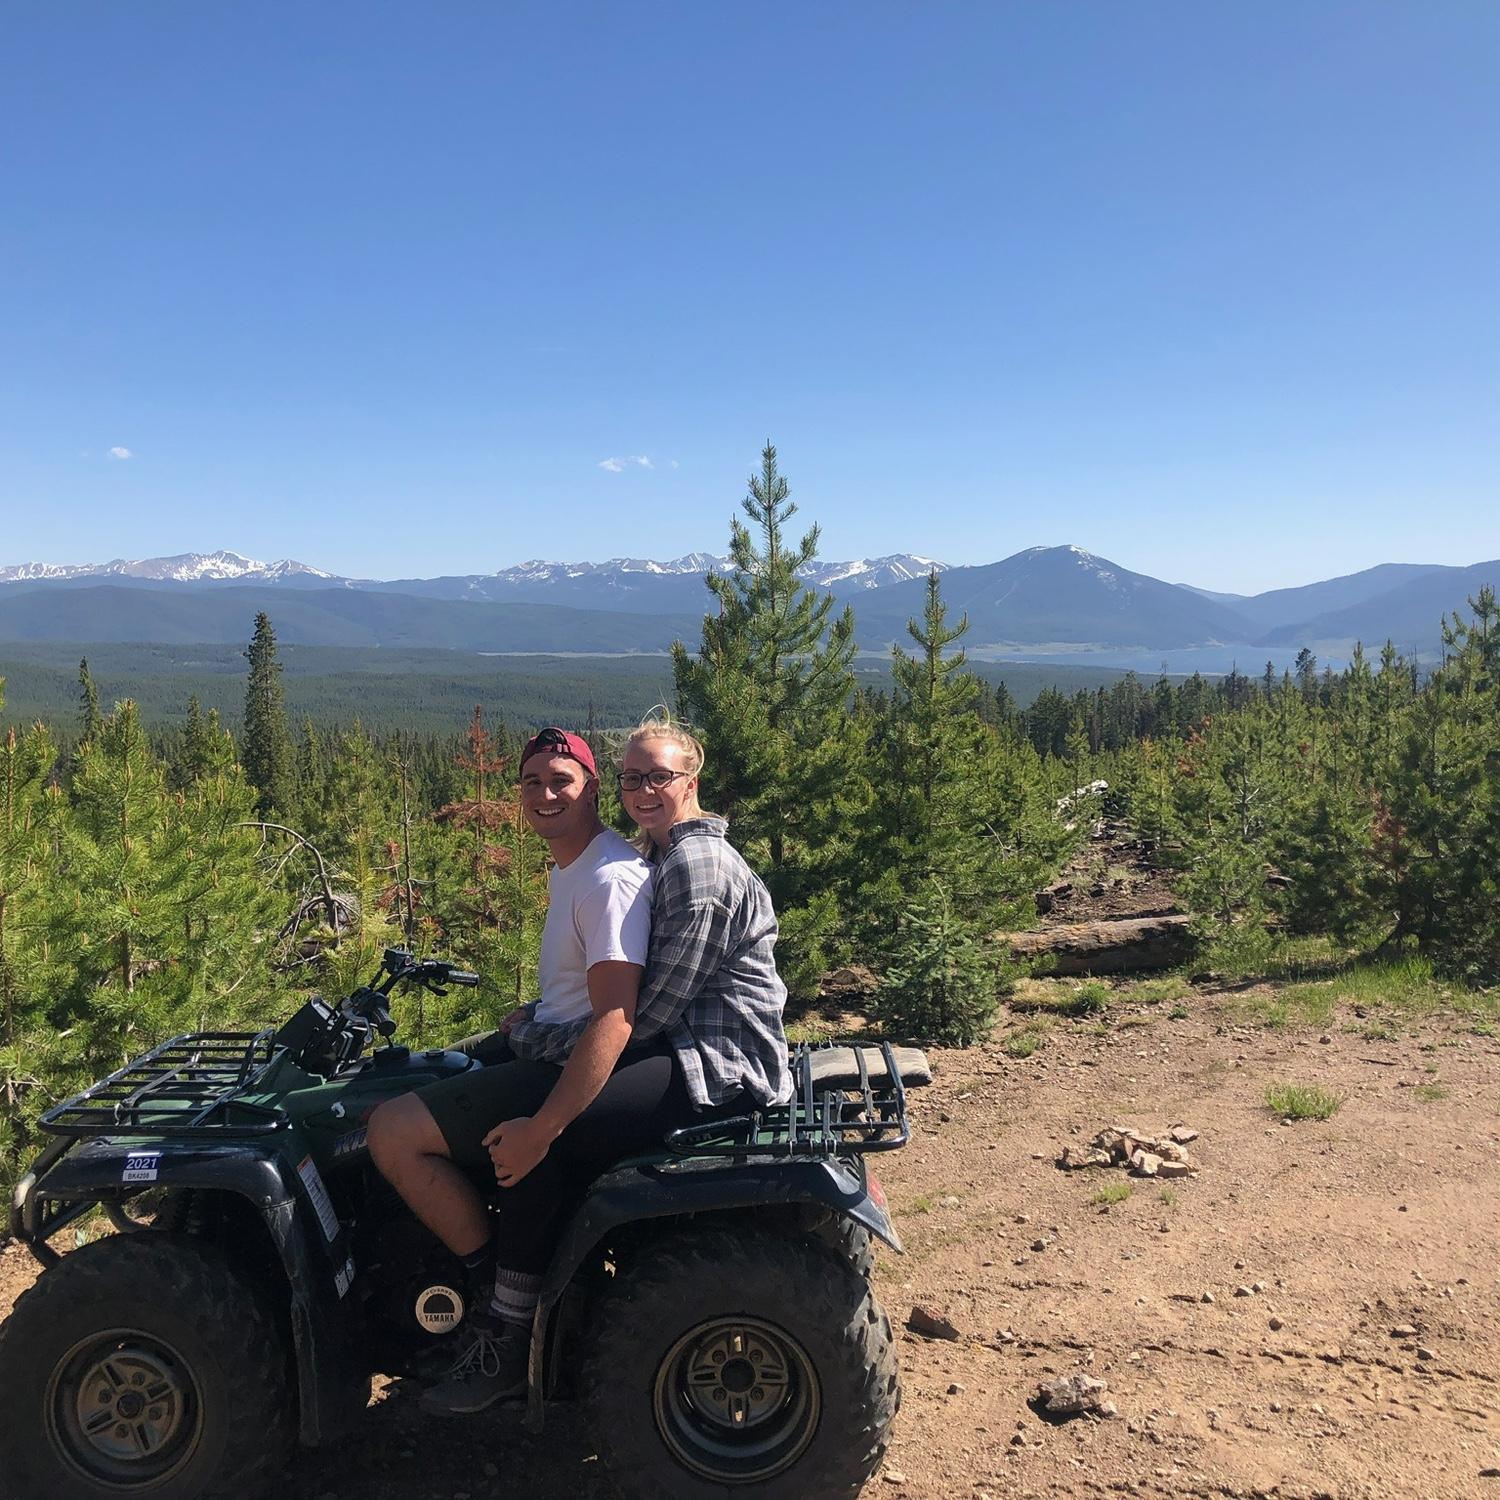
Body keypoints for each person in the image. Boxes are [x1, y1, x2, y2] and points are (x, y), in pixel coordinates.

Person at [367, 726, 659, 1414]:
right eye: (532, 782)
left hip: (574, 1064)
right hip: (552, 1040)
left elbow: (614, 1017)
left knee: (392, 1131)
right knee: (433, 1072)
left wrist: (543, 1127)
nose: (545, 794)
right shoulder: (575, 865)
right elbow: (581, 991)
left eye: (562, 781)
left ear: (592, 789)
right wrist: (534, 1013)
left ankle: (493, 1306)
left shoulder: (609, 879)